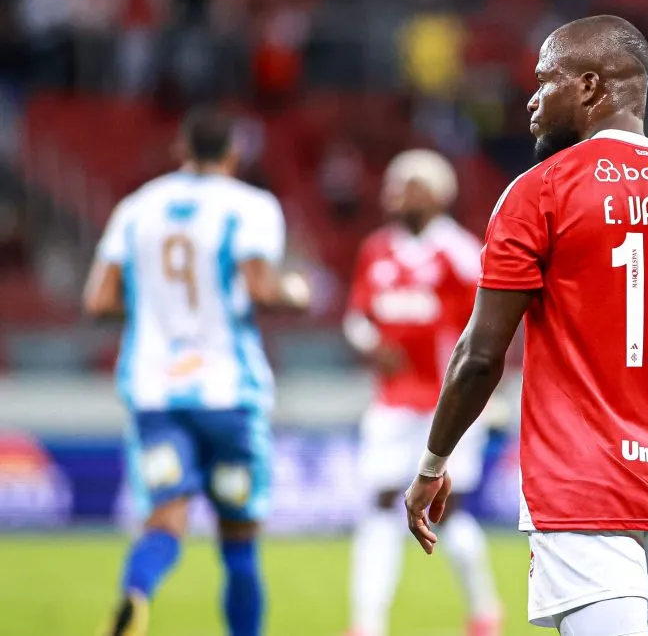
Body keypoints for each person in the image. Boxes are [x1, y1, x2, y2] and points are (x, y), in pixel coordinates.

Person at [405, 15, 648, 636]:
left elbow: (479, 355)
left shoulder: (538, 192)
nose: (531, 99)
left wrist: (431, 463)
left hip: (579, 485)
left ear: (587, 87)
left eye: (544, 80)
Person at [86, 107, 311, 636]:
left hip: (155, 393)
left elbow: (98, 300)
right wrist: (296, 292)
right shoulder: (251, 206)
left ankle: (136, 594)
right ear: (232, 155)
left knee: (164, 519)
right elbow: (259, 287)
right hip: (228, 393)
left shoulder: (137, 208)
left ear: (181, 151)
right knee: (239, 542)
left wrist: (153, 309)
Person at [343, 149, 501, 636]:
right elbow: (356, 318)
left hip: (445, 407)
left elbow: (489, 326)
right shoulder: (377, 249)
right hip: (390, 404)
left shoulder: (458, 252)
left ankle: (483, 611)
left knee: (447, 513)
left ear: (436, 195)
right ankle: (367, 624)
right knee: (379, 501)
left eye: (406, 184)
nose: (393, 192)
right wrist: (372, 344)